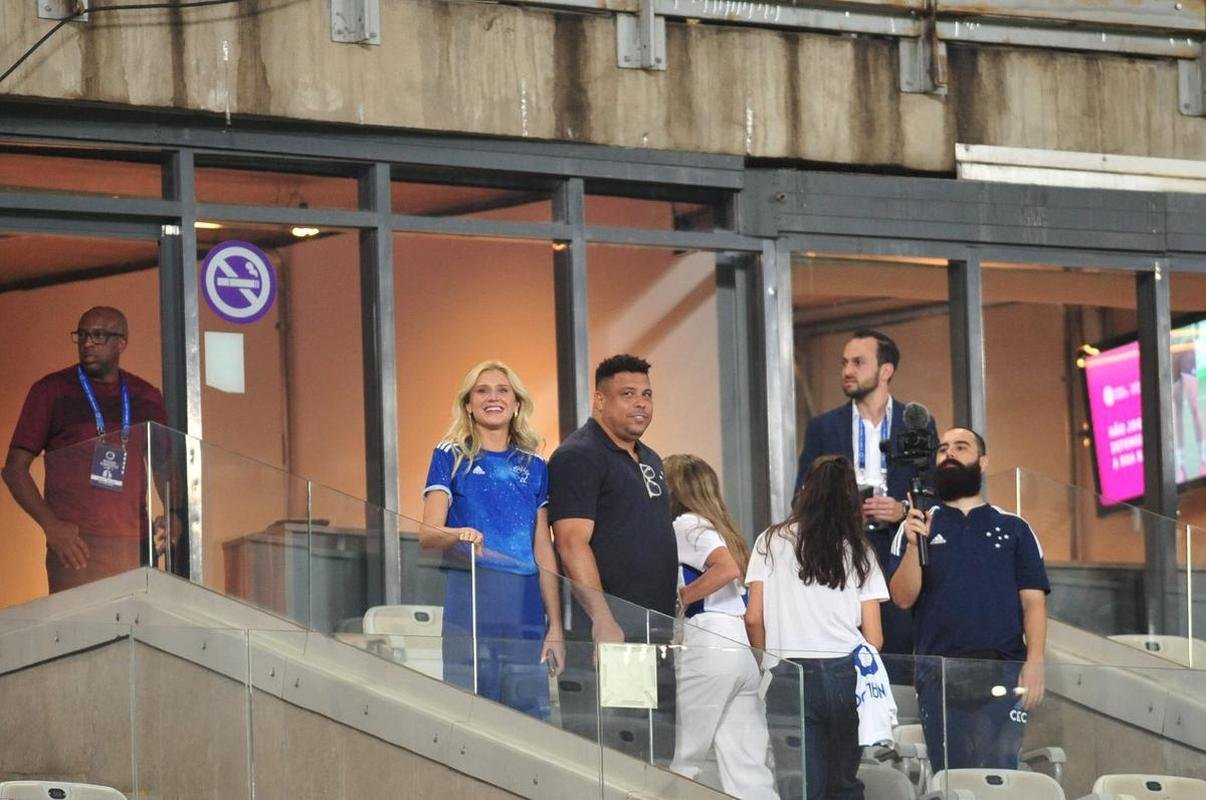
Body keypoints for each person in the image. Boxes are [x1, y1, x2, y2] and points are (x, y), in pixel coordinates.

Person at [888, 427, 1050, 772]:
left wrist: (1035, 662)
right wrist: (915, 544)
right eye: (943, 449)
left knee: (1000, 773)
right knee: (951, 776)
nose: (949, 454)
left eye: (961, 448)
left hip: (1003, 670)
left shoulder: (1014, 527)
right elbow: (902, 599)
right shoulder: (918, 525)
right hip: (939, 672)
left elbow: (1033, 602)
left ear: (983, 461)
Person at [548, 354, 678, 756]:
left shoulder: (651, 459)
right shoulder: (579, 456)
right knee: (619, 753)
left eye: (646, 395)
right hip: (613, 635)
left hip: (653, 632)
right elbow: (570, 542)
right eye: (627, 394)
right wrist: (604, 619)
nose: (640, 403)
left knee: (655, 751)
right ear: (600, 401)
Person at [420, 360, 564, 719]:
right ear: (468, 403)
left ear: (517, 402)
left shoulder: (535, 465)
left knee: (528, 711)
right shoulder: (449, 456)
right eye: (482, 390)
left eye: (503, 390)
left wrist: (556, 626)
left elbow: (543, 548)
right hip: (471, 592)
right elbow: (427, 534)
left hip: (524, 601)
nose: (493, 397)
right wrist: (459, 534)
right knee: (469, 708)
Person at [746, 455, 887, 800]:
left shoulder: (771, 540)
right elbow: (875, 638)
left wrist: (768, 662)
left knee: (800, 787)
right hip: (845, 674)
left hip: (789, 674)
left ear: (805, 489)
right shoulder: (860, 551)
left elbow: (752, 617)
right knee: (844, 784)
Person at [3, 306, 167, 593]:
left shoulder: (146, 396)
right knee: (81, 632)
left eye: (99, 335)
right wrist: (51, 526)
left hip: (135, 541)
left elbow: (166, 465)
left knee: (135, 631)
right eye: (82, 335)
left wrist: (174, 512)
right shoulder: (52, 390)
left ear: (121, 343)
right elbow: (14, 469)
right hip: (76, 543)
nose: (88, 342)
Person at [794, 329, 929, 660]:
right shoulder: (824, 427)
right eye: (844, 363)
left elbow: (934, 493)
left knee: (899, 650)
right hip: (841, 553)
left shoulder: (917, 424)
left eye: (858, 362)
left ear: (886, 371)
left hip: (899, 551)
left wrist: (901, 510)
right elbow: (802, 494)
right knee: (847, 645)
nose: (847, 371)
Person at [664, 454, 776, 800]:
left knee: (686, 756)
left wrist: (684, 596)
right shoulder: (722, 529)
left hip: (709, 641)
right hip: (740, 646)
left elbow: (725, 569)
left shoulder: (685, 525)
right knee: (747, 765)